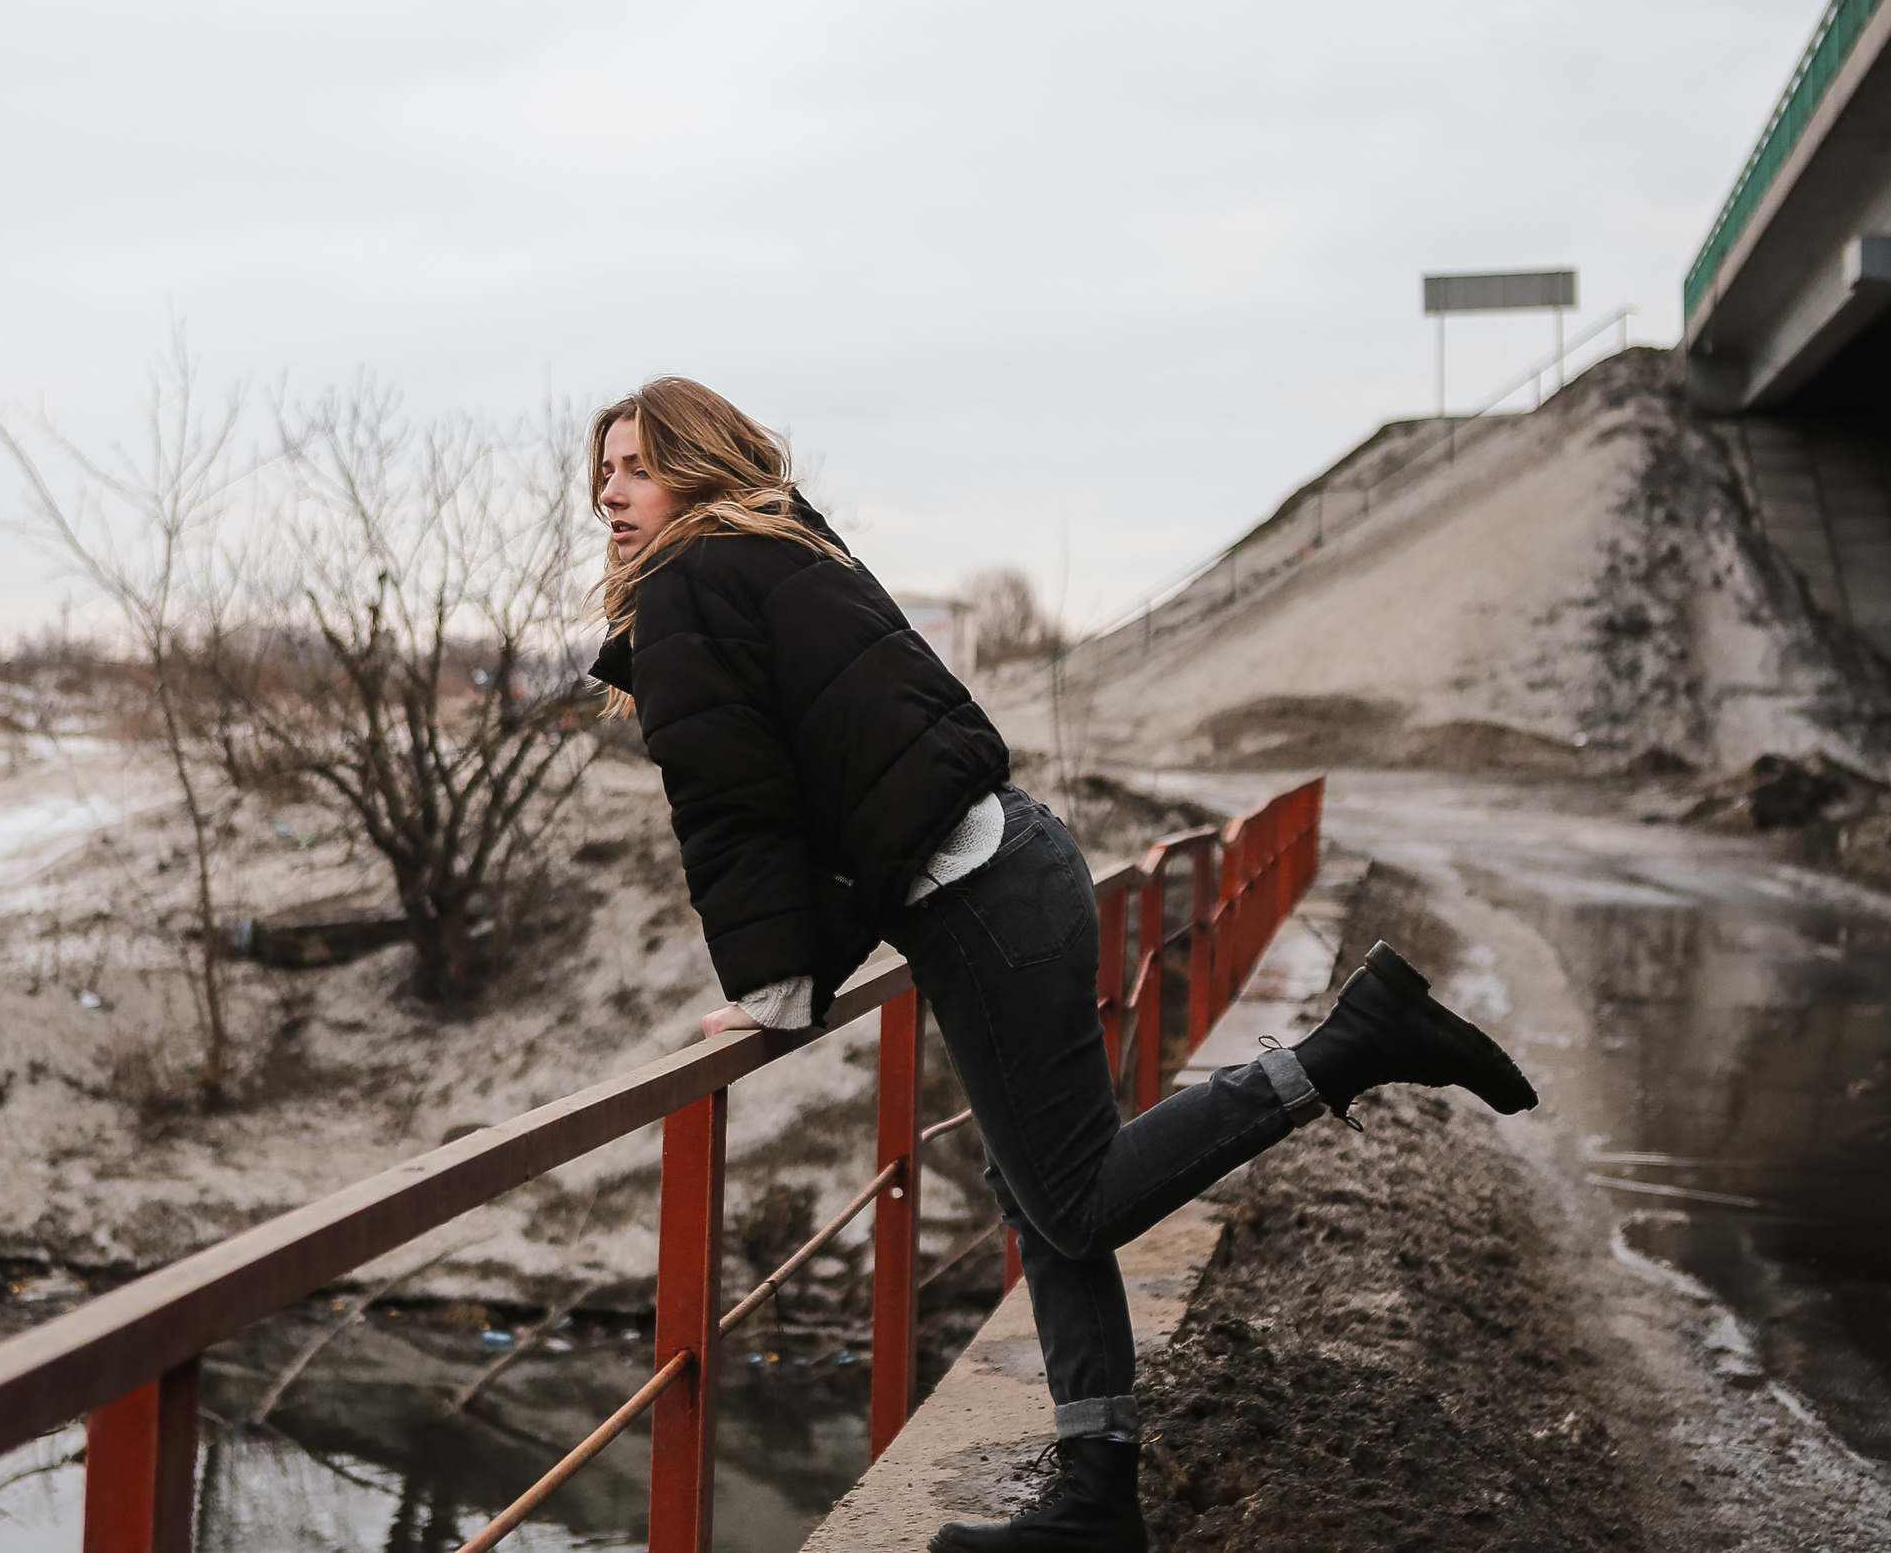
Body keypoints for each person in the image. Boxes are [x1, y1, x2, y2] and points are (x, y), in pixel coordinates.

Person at [587, 378, 1538, 1552]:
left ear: (694, 467)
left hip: (980, 898)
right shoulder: (776, 551)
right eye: (602, 474)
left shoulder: (691, 581)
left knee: (1074, 1202)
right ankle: (1097, 1495)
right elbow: (840, 784)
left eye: (633, 467)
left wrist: (773, 996)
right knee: (1040, 1197)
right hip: (1008, 866)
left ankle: (1351, 1043)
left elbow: (736, 806)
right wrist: (791, 976)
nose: (608, 495)